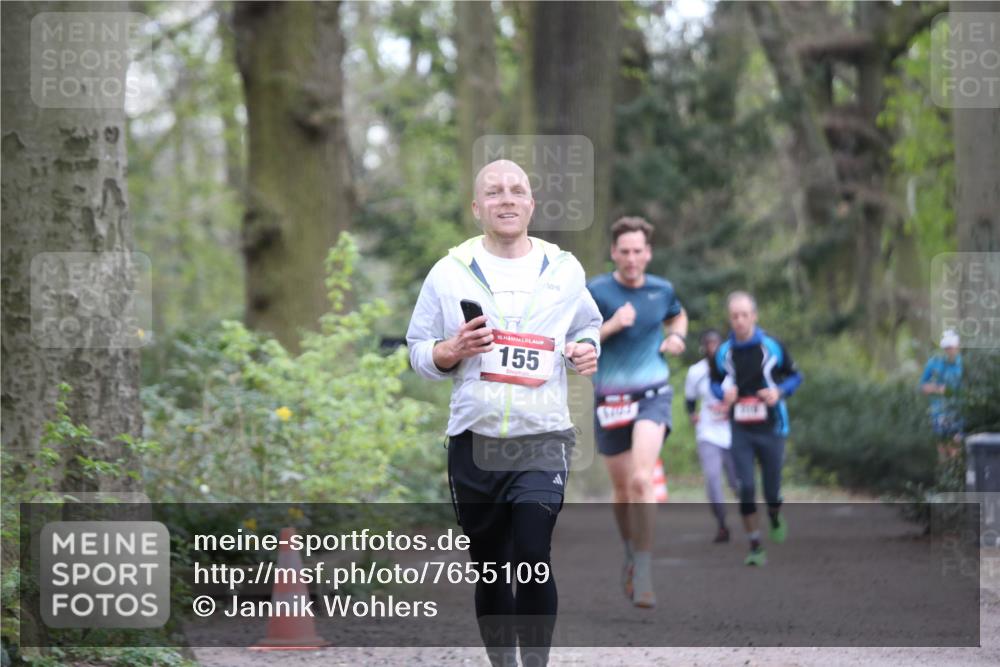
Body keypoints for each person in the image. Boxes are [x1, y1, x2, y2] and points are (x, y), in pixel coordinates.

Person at [406, 159, 601, 667]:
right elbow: (418, 351)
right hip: (475, 439)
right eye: (494, 192)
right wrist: (449, 350)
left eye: (516, 190)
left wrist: (585, 348)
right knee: (491, 567)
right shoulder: (448, 274)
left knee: (533, 558)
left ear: (532, 204)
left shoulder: (564, 269)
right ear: (477, 208)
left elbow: (587, 325)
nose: (507, 199)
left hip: (543, 436)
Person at [586, 216, 688, 608]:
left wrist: (676, 336)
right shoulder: (596, 290)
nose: (631, 259)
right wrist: (612, 325)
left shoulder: (661, 290)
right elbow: (574, 339)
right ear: (614, 252)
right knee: (623, 489)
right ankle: (630, 552)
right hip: (611, 400)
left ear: (648, 253)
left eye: (638, 251)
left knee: (643, 480)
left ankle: (644, 567)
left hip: (652, 394)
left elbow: (677, 314)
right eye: (624, 251)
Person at [711, 291, 802, 566]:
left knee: (772, 491)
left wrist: (780, 392)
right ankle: (754, 546)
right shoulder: (724, 352)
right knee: (746, 487)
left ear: (754, 316)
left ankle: (774, 514)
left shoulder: (772, 347)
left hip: (772, 427)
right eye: (734, 316)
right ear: (730, 318)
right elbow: (715, 383)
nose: (739, 320)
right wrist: (722, 394)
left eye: (744, 315)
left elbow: (796, 375)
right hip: (741, 429)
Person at [684, 329, 738, 543]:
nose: (712, 348)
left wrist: (733, 408)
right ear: (702, 347)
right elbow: (689, 399)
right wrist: (692, 414)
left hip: (733, 434)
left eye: (716, 344)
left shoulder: (733, 369)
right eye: (708, 344)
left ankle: (750, 519)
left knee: (738, 484)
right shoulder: (696, 372)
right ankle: (722, 524)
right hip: (708, 433)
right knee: (713, 480)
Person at [920, 329, 964, 449]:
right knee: (942, 448)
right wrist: (937, 388)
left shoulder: (964, 363)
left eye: (951, 347)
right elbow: (923, 387)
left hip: (959, 413)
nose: (949, 350)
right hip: (939, 413)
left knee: (955, 448)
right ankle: (944, 468)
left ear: (958, 346)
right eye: (946, 348)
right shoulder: (934, 362)